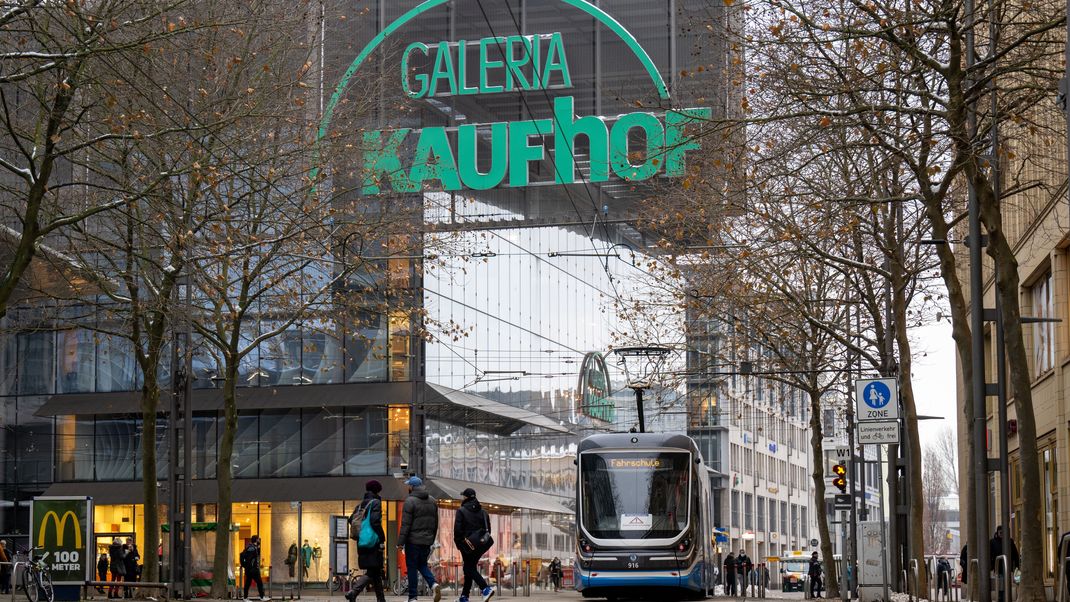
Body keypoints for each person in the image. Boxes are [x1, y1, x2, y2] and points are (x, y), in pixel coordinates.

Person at [398, 476, 441, 602]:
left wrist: (400, 543)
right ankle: (433, 583)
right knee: (422, 564)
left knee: (411, 567)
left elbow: (406, 525)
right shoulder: (432, 501)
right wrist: (431, 539)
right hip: (426, 541)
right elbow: (435, 523)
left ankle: (413, 597)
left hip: (413, 541)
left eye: (409, 486)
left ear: (412, 487)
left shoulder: (410, 501)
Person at [346, 480, 387, 602]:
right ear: (377, 490)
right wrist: (382, 537)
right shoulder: (375, 503)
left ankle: (381, 599)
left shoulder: (360, 505)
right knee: (373, 570)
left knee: (375, 570)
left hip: (361, 542)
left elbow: (351, 519)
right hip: (373, 542)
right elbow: (375, 521)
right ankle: (353, 591)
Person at [454, 488, 495, 602]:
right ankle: (464, 596)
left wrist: (459, 544)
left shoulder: (461, 511)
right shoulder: (483, 512)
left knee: (468, 568)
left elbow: (457, 530)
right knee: (470, 567)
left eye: (463, 496)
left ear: (466, 497)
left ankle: (485, 588)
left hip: (467, 544)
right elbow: (488, 530)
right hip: (480, 545)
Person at [989, 526, 1020, 602]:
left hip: (1007, 567)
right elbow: (990, 554)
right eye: (1000, 533)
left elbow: (1015, 554)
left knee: (1006, 584)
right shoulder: (993, 542)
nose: (1002, 534)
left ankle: (1004, 598)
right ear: (997, 532)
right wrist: (991, 566)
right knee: (1000, 584)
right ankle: (1001, 598)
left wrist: (1017, 565)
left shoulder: (1010, 541)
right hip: (998, 567)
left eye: (1003, 533)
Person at [240, 535, 266, 601]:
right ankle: (262, 597)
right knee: (259, 582)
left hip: (251, 569)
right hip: (252, 569)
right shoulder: (251, 548)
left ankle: (245, 597)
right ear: (256, 540)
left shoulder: (253, 547)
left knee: (248, 583)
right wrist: (249, 567)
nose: (259, 540)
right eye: (258, 539)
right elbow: (249, 558)